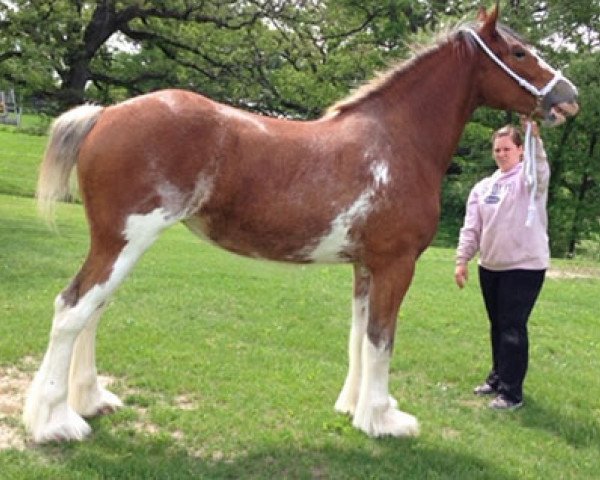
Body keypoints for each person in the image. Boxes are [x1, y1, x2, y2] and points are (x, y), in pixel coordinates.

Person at [454, 117, 549, 410]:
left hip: (524, 267)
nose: (501, 154)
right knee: (497, 325)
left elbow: (540, 169)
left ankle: (511, 393)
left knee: (512, 326)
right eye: (497, 150)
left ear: (520, 151)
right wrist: (462, 260)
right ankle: (497, 378)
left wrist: (535, 137)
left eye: (507, 149)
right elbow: (472, 228)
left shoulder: (528, 181)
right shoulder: (483, 187)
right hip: (491, 266)